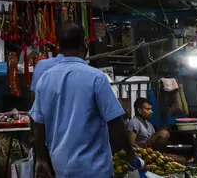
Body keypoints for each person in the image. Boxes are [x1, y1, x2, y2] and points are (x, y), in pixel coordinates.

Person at [29, 22, 136, 178]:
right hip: (94, 170)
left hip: (60, 169)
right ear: (84, 45)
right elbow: (115, 123)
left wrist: (41, 159)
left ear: (60, 47)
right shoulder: (96, 78)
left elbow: (38, 123)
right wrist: (130, 155)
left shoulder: (45, 79)